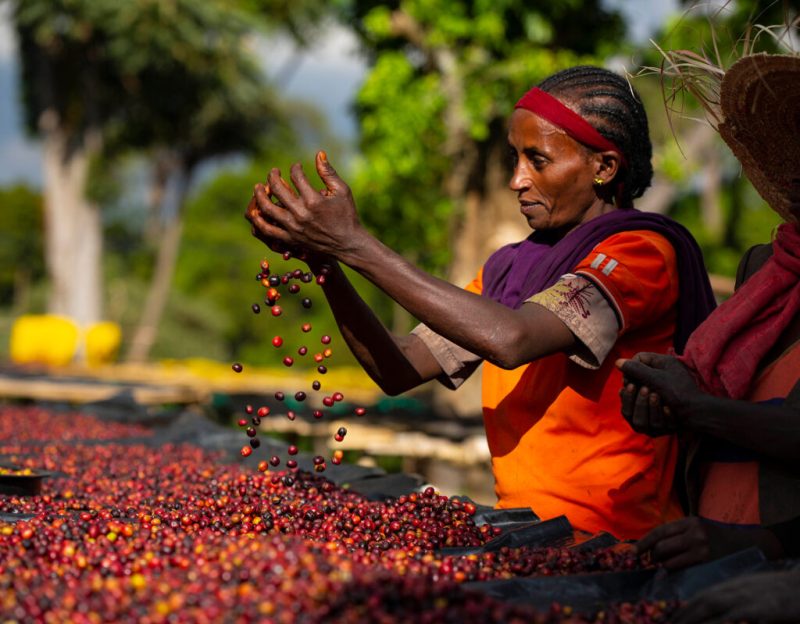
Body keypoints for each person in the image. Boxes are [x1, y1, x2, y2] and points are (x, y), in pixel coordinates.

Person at [246, 65, 716, 540]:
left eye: (539, 160)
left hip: (618, 546)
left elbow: (512, 339)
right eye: (514, 158)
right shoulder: (509, 271)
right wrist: (326, 263)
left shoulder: (639, 253)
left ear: (604, 168)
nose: (517, 180)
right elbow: (400, 368)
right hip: (527, 535)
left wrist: (355, 245)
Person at [617, 53, 800, 570]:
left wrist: (698, 407)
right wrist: (673, 396)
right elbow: (738, 389)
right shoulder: (767, 266)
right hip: (710, 557)